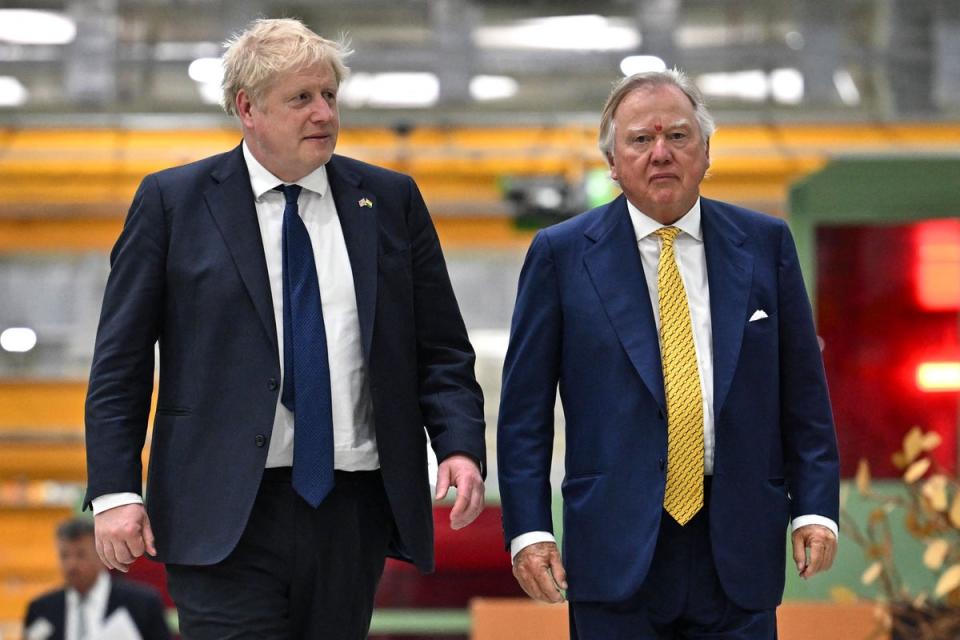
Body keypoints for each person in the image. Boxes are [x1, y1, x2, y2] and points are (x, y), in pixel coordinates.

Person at [83, 17, 486, 639]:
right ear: (248, 108)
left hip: (351, 505)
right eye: (301, 98)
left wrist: (459, 445)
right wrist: (114, 490)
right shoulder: (173, 203)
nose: (324, 113)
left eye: (329, 95)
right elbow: (121, 363)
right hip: (219, 508)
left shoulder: (390, 201)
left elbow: (441, 349)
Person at [497, 69, 839, 639]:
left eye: (678, 137)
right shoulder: (559, 255)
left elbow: (803, 391)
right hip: (613, 547)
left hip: (737, 543)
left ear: (706, 152)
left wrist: (815, 507)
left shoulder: (765, 245)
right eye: (640, 139)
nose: (661, 153)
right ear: (612, 161)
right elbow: (524, 415)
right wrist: (529, 531)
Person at [23, 518, 170, 640]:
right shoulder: (40, 609)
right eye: (65, 556)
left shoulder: (142, 604)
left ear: (101, 555)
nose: (71, 564)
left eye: (81, 555)